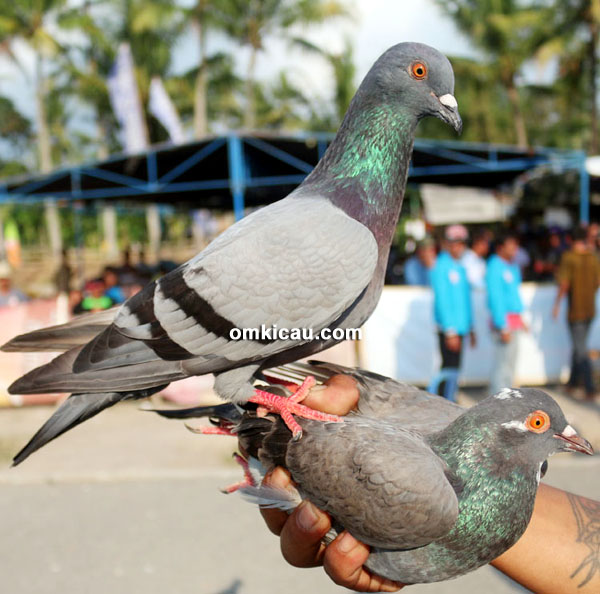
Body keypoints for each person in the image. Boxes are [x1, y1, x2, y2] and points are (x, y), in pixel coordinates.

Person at [257, 378, 600, 594]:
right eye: (538, 423)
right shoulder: (415, 481)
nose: (572, 437)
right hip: (312, 439)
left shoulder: (524, 470)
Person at [553, 225, 600, 400]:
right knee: (578, 346)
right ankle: (572, 383)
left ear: (570, 239)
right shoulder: (593, 257)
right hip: (590, 309)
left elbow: (564, 283)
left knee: (580, 349)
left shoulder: (569, 257)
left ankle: (589, 387)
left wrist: (556, 304)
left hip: (576, 310)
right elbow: (597, 281)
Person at [430, 225, 474, 400]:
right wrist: (450, 330)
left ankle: (449, 397)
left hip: (460, 327)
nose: (459, 247)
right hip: (450, 329)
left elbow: (464, 300)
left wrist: (470, 326)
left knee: (455, 367)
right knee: (449, 367)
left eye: (462, 243)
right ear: (447, 244)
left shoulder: (459, 267)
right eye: (455, 243)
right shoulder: (441, 266)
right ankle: (443, 400)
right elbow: (443, 301)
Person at [486, 231, 525, 394]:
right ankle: (497, 400)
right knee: (503, 364)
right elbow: (496, 298)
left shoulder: (511, 266)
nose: (515, 249)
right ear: (501, 248)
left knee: (510, 363)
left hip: (513, 319)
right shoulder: (495, 267)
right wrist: (503, 326)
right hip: (504, 321)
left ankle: (506, 398)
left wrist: (520, 319)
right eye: (511, 246)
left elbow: (512, 295)